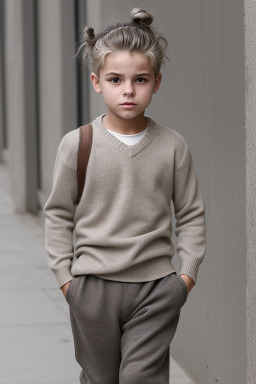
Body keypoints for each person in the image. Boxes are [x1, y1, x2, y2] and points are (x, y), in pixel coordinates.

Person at [43, 7, 206, 384]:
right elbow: (58, 214)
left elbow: (191, 213)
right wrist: (66, 279)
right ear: (97, 81)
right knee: (100, 378)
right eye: (116, 79)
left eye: (141, 79)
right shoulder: (76, 144)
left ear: (157, 82)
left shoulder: (173, 146)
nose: (129, 89)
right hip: (92, 289)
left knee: (140, 378)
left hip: (156, 289)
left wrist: (185, 276)